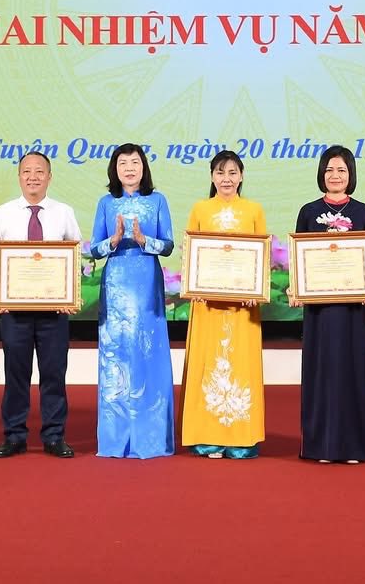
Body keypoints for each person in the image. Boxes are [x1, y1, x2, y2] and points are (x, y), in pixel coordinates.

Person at [0, 152, 82, 458]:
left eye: (39, 171)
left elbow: (74, 256)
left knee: (54, 374)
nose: (33, 177)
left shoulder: (64, 212)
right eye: (26, 171)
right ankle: (14, 435)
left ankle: (54, 436)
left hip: (54, 311)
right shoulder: (2, 213)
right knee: (16, 374)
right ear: (19, 176)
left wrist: (70, 294)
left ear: (49, 177)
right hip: (14, 312)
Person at [86, 143, 175, 458]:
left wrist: (143, 240)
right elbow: (93, 249)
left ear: (143, 167)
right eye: (122, 163)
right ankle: (116, 439)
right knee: (117, 354)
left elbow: (168, 245)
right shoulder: (106, 203)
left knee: (148, 352)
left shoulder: (158, 200)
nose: (129, 168)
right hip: (116, 283)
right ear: (115, 169)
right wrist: (112, 241)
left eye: (135, 162)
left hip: (146, 281)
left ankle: (150, 438)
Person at [290, 145, 365, 464]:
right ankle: (320, 446)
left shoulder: (363, 212)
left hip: (353, 309)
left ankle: (354, 447)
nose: (335, 175)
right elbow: (299, 259)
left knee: (352, 372)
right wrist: (297, 288)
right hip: (319, 310)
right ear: (321, 174)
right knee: (321, 372)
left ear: (351, 174)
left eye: (341, 170)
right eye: (329, 170)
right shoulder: (309, 211)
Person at [181, 150, 267, 459]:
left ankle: (241, 439)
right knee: (209, 364)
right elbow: (190, 251)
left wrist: (256, 289)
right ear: (211, 176)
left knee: (241, 364)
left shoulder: (254, 210)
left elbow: (262, 254)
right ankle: (208, 438)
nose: (226, 178)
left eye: (232, 172)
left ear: (241, 176)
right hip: (207, 306)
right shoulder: (200, 209)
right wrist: (194, 284)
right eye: (220, 172)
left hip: (243, 307)